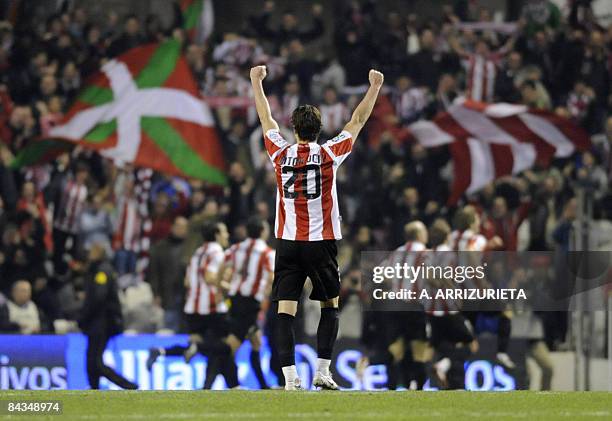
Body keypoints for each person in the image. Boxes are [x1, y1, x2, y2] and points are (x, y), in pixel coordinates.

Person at [250, 64, 384, 390]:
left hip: (288, 241)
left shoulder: (280, 153)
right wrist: (374, 87)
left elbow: (266, 119)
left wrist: (256, 81)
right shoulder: (328, 154)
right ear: (320, 128)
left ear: (294, 128)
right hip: (321, 240)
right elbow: (358, 121)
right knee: (329, 305)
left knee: (285, 310)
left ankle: (291, 379)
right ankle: (323, 371)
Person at [147, 221, 235, 389]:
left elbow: (187, 281)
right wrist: (230, 287)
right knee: (224, 346)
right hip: (211, 307)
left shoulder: (197, 252)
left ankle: (161, 351)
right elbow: (210, 277)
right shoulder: (216, 252)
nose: (227, 235)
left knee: (204, 348)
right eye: (224, 232)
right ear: (216, 234)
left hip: (192, 308)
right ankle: (224, 384)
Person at [221, 216, 275, 389]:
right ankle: (232, 384)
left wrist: (226, 286)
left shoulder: (236, 248)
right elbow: (273, 277)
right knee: (230, 346)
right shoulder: (267, 253)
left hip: (234, 298)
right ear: (262, 232)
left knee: (256, 341)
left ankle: (263, 386)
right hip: (251, 302)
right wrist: (266, 293)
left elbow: (223, 268)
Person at [78, 242, 138, 390]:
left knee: (95, 361)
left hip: (101, 322)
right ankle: (94, 389)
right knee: (92, 360)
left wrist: (84, 317)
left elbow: (98, 298)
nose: (89, 253)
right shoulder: (98, 270)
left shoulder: (101, 272)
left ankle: (127, 385)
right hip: (99, 322)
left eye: (92, 250)